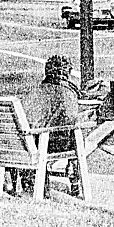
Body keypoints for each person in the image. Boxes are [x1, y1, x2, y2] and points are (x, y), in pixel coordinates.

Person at [17, 55, 82, 196]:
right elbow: (71, 119)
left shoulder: (35, 91)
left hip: (30, 143)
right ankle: (74, 179)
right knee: (77, 136)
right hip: (55, 143)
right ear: (65, 73)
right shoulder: (67, 93)